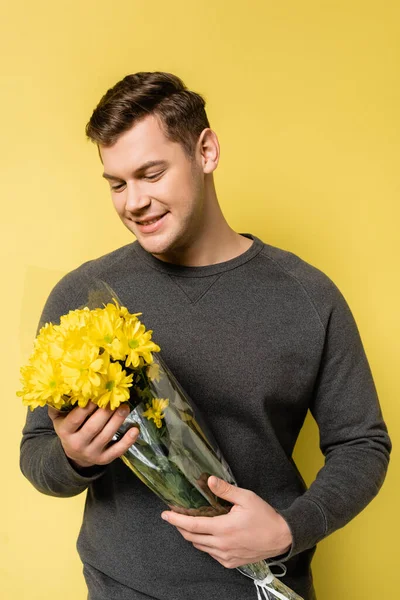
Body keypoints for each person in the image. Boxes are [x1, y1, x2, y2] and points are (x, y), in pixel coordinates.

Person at [20, 71, 391, 600]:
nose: (134, 202)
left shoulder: (307, 295)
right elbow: (36, 454)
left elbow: (363, 444)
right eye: (117, 184)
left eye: (151, 174)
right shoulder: (81, 296)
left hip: (266, 588)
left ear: (207, 151)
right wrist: (75, 457)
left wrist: (289, 530)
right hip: (120, 589)